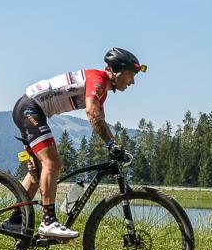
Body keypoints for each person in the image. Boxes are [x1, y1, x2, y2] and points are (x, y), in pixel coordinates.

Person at [11, 47, 145, 239]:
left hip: (30, 109)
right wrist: (110, 145)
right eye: (130, 75)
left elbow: (100, 121)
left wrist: (113, 144)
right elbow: (91, 112)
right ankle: (48, 221)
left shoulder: (102, 89)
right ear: (116, 72)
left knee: (37, 173)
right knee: (52, 163)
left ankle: (15, 220)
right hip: (30, 109)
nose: (132, 82)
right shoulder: (98, 79)